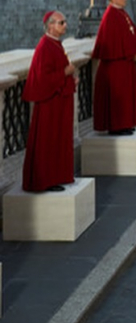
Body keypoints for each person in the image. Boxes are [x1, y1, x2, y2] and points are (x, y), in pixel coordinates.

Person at [22, 10, 78, 192]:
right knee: (48, 141)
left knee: (58, 140)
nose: (65, 26)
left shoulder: (54, 44)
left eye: (64, 22)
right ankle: (45, 180)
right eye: (62, 23)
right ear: (51, 26)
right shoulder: (45, 46)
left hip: (58, 102)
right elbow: (43, 79)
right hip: (49, 104)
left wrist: (71, 78)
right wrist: (65, 73)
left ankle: (57, 176)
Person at [92, 0, 136, 135]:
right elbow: (114, 43)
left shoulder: (121, 13)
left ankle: (126, 123)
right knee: (118, 96)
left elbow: (130, 34)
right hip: (116, 64)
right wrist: (131, 53)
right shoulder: (111, 15)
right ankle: (117, 126)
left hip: (125, 63)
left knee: (127, 95)